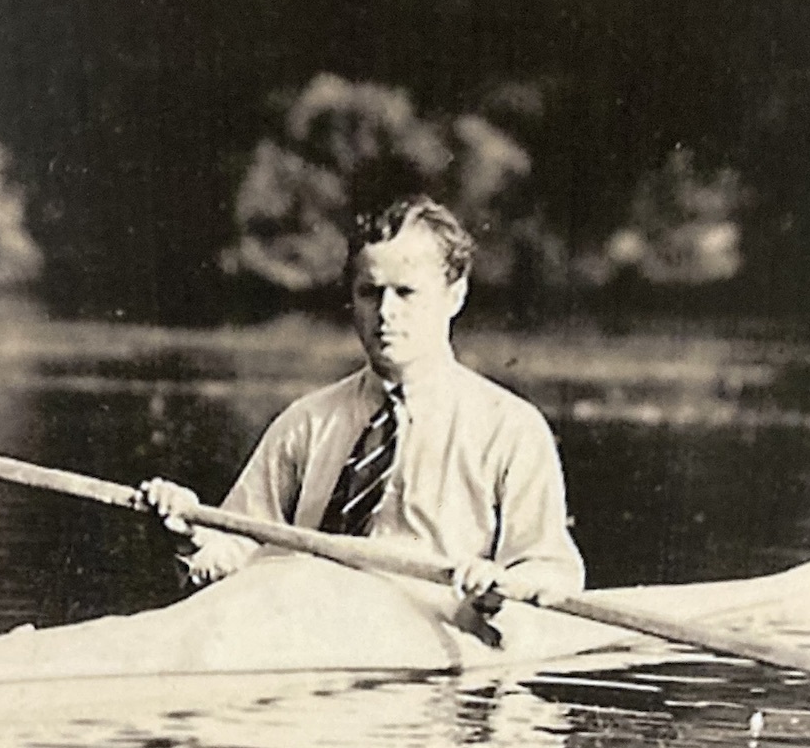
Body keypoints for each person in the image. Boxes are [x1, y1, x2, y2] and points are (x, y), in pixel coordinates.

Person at [138, 195, 584, 614]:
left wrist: (503, 585)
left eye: (406, 292)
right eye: (370, 292)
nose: (385, 312)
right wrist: (190, 534)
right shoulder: (306, 422)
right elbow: (235, 547)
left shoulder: (509, 429)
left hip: (425, 640)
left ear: (455, 296)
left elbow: (551, 571)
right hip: (295, 624)